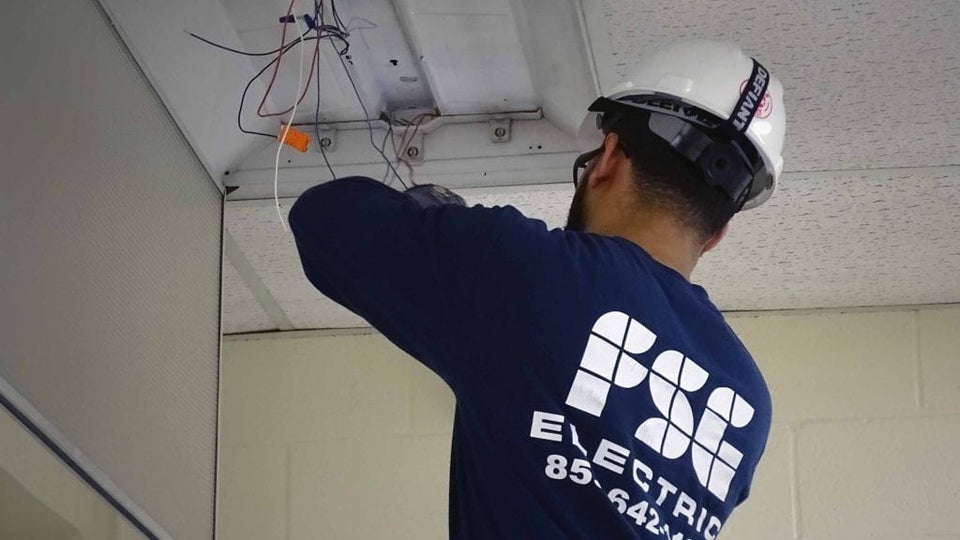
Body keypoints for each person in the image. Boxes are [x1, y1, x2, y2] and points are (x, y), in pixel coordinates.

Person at [289, 39, 785, 540]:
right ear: (716, 234)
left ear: (608, 160)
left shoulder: (533, 272)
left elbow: (325, 221)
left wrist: (448, 229)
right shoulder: (750, 405)